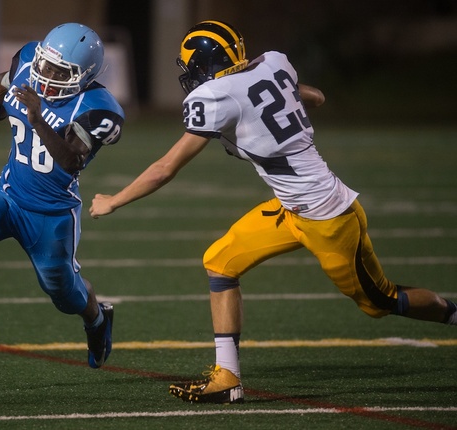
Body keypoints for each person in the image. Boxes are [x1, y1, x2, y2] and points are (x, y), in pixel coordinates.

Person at [89, 20, 457, 404]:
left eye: (192, 67)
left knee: (380, 302)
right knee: (220, 261)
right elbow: (311, 94)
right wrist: (302, 98)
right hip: (290, 207)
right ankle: (228, 377)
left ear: (204, 63)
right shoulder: (273, 63)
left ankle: (453, 314)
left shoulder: (215, 96)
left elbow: (166, 168)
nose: (190, 75)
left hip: (326, 216)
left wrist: (114, 200)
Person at [0, 23, 124, 377]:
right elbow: (0, 82)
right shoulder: (30, 60)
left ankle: (96, 318)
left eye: (59, 72)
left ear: (84, 76)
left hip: (52, 214)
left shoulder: (99, 108)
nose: (45, 76)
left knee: (64, 296)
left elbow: (72, 159)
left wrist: (36, 117)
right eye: (45, 66)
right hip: (8, 196)